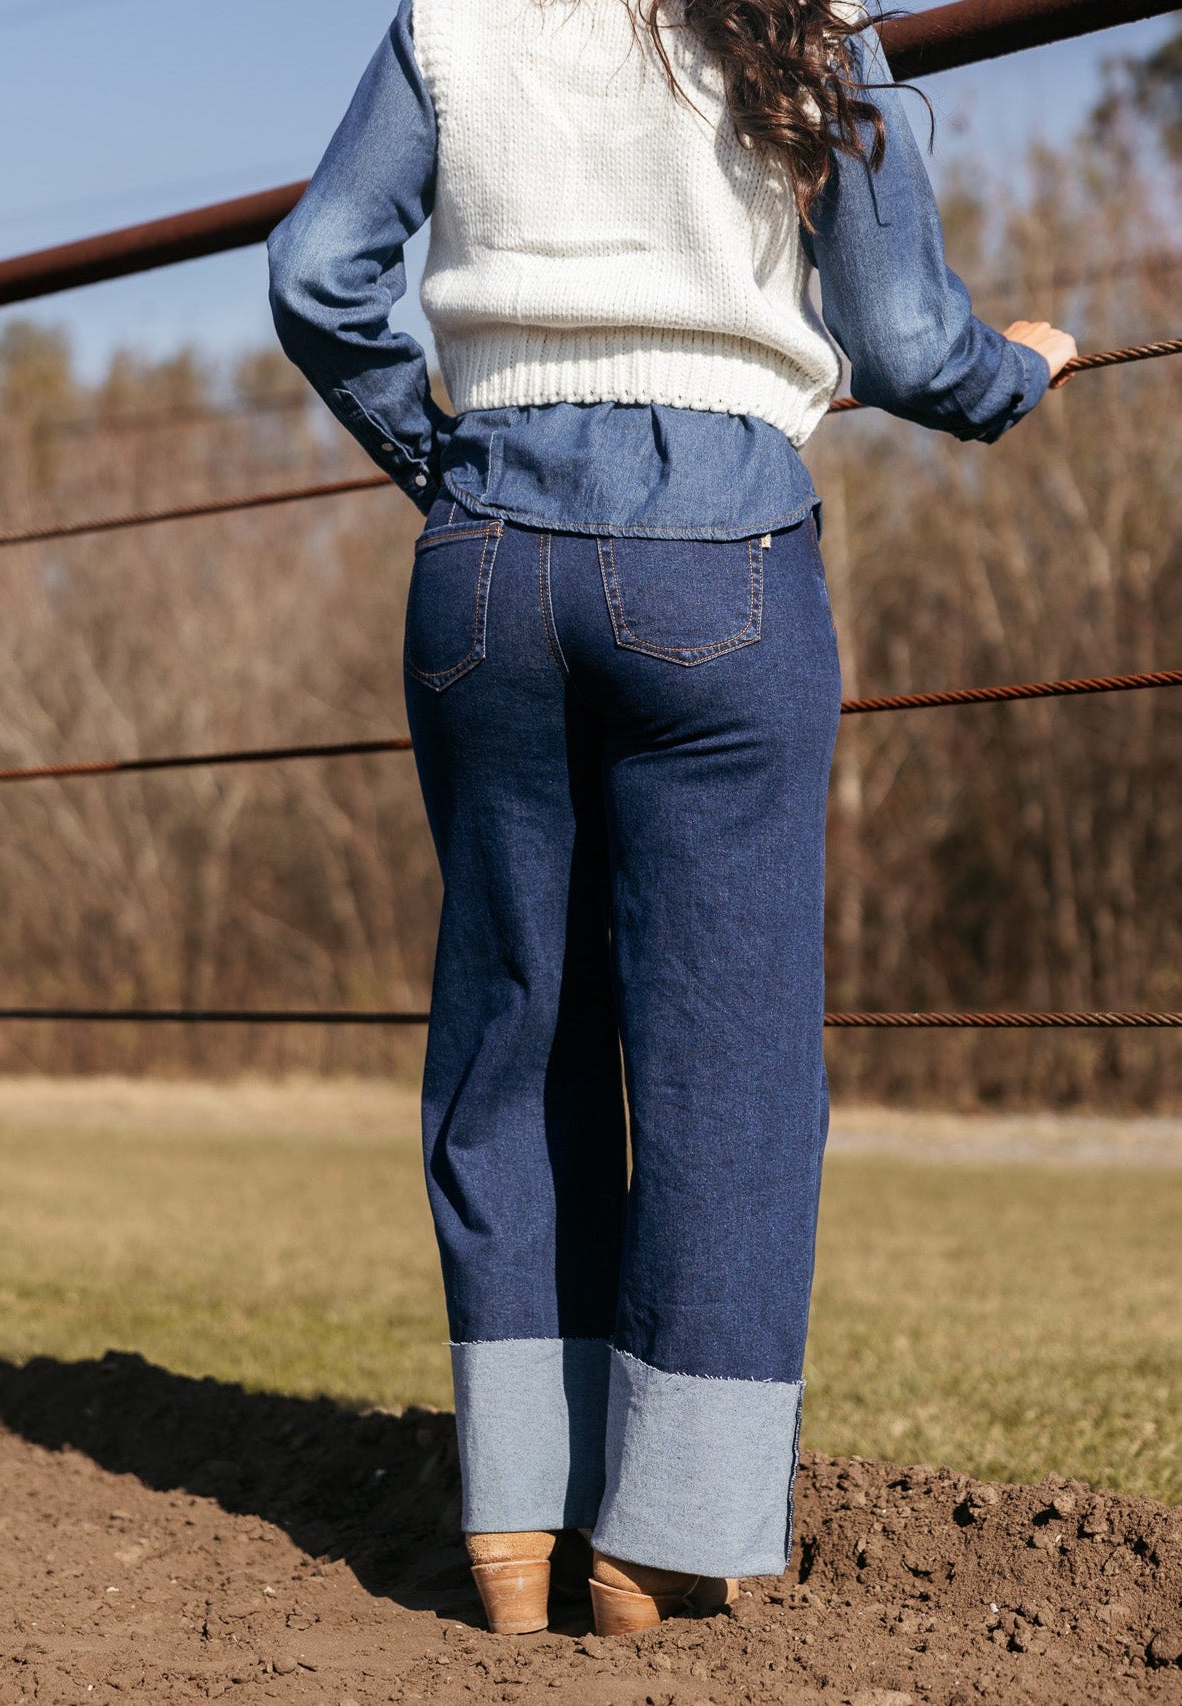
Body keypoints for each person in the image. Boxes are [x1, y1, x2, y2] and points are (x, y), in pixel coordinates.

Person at [266, 0, 1075, 1638]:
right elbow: (902, 339)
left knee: (513, 1031)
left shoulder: (452, 20)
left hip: (485, 556)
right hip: (720, 559)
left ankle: (514, 1528)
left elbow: (315, 270)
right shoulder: (808, 21)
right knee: (728, 1058)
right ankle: (660, 1540)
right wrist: (1018, 371)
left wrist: (445, 457)